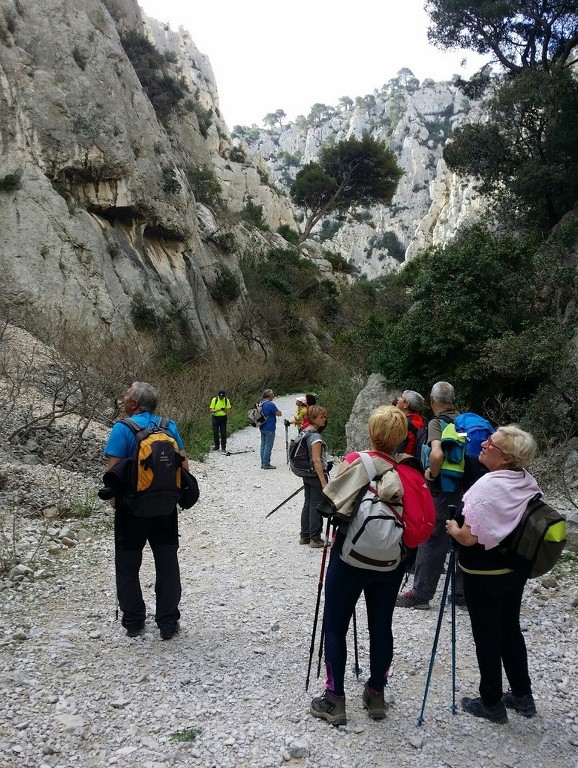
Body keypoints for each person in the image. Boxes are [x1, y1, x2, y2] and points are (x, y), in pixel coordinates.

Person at [310, 405, 408, 726]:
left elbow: (331, 502)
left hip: (349, 557)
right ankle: (376, 693)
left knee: (335, 625)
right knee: (382, 626)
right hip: (391, 563)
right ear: (401, 438)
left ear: (372, 432)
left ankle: (334, 700)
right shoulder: (410, 471)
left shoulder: (355, 462)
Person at [446, 425, 541, 723]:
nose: (484, 444)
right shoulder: (526, 480)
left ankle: (490, 702)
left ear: (506, 458)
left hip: (483, 573)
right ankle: (523, 696)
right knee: (510, 629)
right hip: (514, 569)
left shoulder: (487, 486)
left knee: (487, 635)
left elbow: (468, 537)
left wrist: (451, 528)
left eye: (491, 444)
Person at [104, 381, 189, 640]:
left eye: (127, 394)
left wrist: (116, 502)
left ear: (135, 404)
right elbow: (184, 466)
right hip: (165, 509)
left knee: (128, 566)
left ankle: (133, 621)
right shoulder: (168, 426)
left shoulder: (122, 428)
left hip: (131, 511)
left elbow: (112, 472)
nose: (123, 396)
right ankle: (167, 622)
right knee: (167, 564)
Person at [396, 381, 464, 609]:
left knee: (433, 539)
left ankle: (420, 594)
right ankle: (462, 595)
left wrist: (432, 475)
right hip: (468, 490)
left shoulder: (437, 422)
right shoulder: (464, 421)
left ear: (432, 400)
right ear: (453, 400)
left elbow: (436, 455)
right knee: (462, 538)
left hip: (445, 490)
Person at [298, 405, 329, 549]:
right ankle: (315, 538)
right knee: (316, 505)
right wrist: (323, 481)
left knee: (308, 503)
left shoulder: (304, 432)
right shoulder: (315, 437)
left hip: (306, 474)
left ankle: (304, 535)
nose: (324, 419)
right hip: (315, 474)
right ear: (313, 419)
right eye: (321, 417)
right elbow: (317, 460)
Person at [394, 390, 427, 457]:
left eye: (401, 397)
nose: (398, 399)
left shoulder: (402, 424)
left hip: (404, 463)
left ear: (406, 405)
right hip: (418, 463)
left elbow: (397, 450)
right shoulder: (424, 421)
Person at [259, 389, 281, 469]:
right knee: (268, 446)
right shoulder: (270, 404)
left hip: (262, 426)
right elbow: (279, 413)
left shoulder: (261, 403)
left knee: (263, 445)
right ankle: (266, 463)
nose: (273, 396)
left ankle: (263, 462)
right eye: (272, 395)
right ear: (269, 396)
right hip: (270, 427)